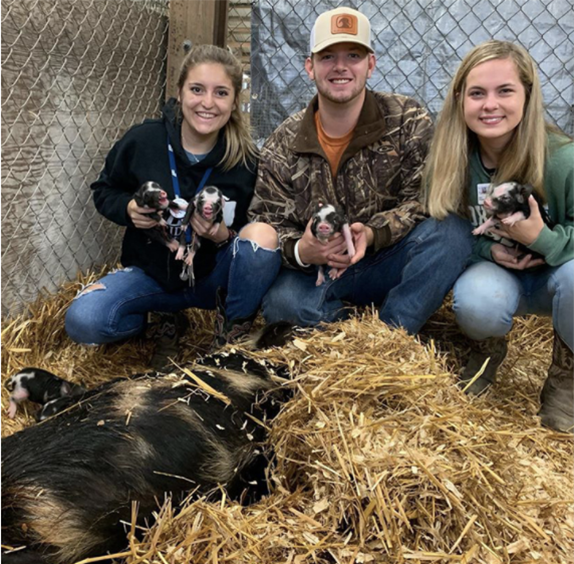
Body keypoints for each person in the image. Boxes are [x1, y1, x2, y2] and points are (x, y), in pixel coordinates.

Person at [249, 7, 473, 335]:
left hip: (386, 259)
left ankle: (390, 338)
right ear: (310, 67)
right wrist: (303, 250)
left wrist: (372, 233)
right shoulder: (284, 140)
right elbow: (267, 220)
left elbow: (426, 199)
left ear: (371, 63)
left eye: (353, 55)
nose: (340, 67)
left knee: (452, 233)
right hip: (319, 273)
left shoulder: (407, 119)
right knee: (284, 306)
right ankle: (353, 332)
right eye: (327, 56)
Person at [65, 45, 281, 369]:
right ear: (180, 92)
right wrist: (128, 209)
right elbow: (104, 190)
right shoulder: (143, 140)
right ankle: (157, 322)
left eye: (221, 93)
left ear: (234, 102)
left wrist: (222, 235)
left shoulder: (245, 161)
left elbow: (252, 231)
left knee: (263, 237)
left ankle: (229, 336)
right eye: (197, 89)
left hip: (212, 277)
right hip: (152, 275)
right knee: (85, 320)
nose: (207, 103)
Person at [424, 40, 573, 433]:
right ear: (460, 100)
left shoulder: (561, 160)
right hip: (500, 273)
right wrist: (489, 250)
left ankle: (566, 377)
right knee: (476, 302)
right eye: (477, 93)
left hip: (557, 275)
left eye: (505, 91)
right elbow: (450, 231)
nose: (490, 104)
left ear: (528, 94)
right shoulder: (452, 159)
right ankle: (487, 349)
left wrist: (542, 238)